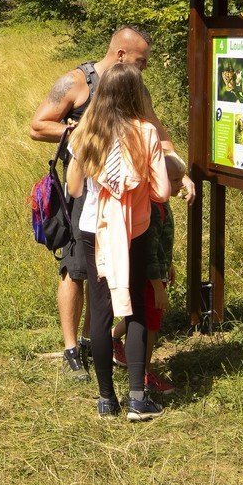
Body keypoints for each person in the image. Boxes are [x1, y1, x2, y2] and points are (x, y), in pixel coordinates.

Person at [28, 25, 192, 381]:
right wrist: (85, 133)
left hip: (125, 201)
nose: (144, 67)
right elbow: (38, 125)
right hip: (83, 194)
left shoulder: (134, 85)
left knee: (104, 276)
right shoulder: (76, 82)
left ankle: (93, 342)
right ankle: (72, 349)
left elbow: (154, 126)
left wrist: (179, 168)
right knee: (75, 270)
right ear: (120, 55)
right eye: (140, 60)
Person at [67, 63, 171, 420]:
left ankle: (106, 400)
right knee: (136, 309)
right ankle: (138, 398)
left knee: (100, 312)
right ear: (135, 94)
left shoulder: (86, 132)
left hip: (93, 230)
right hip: (133, 232)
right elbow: (161, 191)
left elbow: (75, 188)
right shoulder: (146, 133)